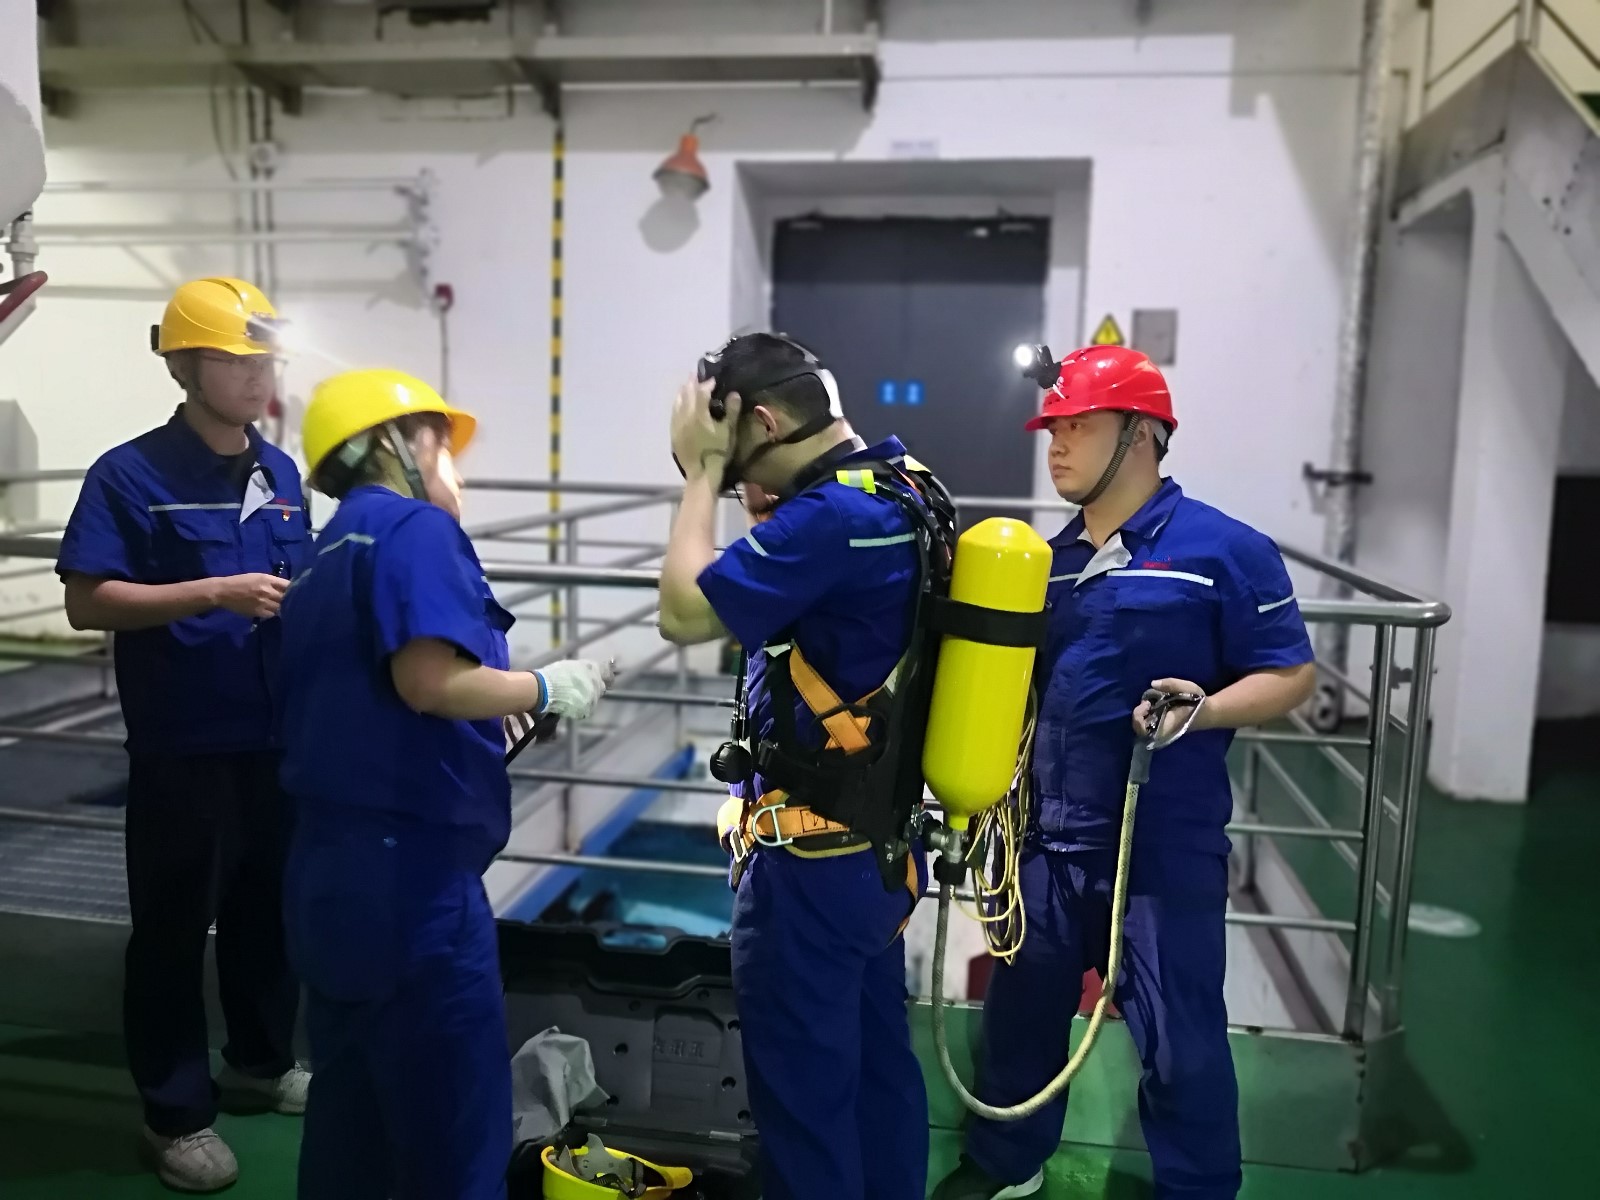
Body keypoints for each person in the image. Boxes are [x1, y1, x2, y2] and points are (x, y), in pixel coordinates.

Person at [932, 345, 1317, 1200]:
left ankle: (1198, 1187)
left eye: (1077, 426)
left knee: (1181, 1039)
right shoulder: (1050, 563)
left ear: (1141, 434)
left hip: (1162, 843)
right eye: (1053, 430)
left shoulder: (1224, 550)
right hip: (1048, 838)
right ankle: (1007, 1162)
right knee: (1020, 1016)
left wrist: (1205, 709)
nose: (1057, 446)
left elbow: (1291, 673)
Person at [276, 367, 615, 1200]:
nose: (454, 468)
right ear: (391, 445)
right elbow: (427, 682)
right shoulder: (414, 530)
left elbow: (373, 708)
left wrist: (498, 715)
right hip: (412, 883)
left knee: (351, 1119)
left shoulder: (323, 555)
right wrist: (544, 686)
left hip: (325, 869)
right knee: (454, 1127)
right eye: (441, 444)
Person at [658, 333, 941, 1200]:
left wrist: (699, 475)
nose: (739, 487)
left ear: (766, 423)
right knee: (878, 1078)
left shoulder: (830, 522)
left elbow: (682, 613)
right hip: (878, 849)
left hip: (806, 872)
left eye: (734, 452)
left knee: (805, 1107)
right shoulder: (907, 488)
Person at [54, 276, 312, 1193]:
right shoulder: (129, 475)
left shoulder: (281, 474)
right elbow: (89, 601)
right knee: (170, 930)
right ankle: (174, 1115)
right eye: (238, 361)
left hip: (275, 740)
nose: (258, 377)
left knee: (266, 914)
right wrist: (212, 592)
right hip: (184, 744)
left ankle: (261, 1059)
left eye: (266, 361)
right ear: (184, 366)